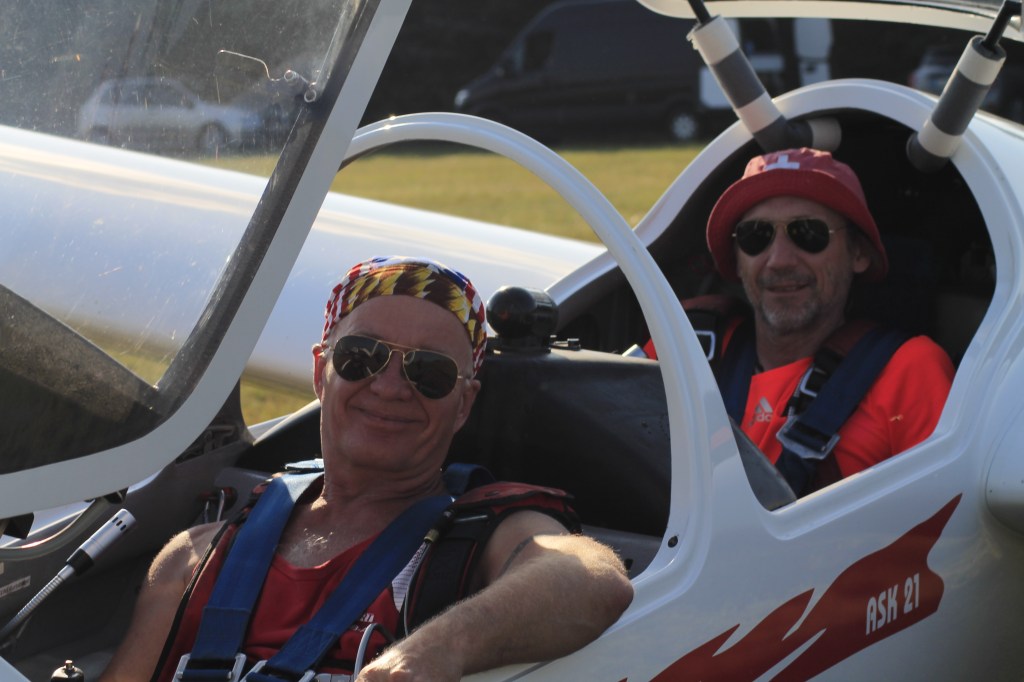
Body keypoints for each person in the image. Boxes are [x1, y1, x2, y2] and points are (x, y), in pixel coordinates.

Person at [101, 256, 633, 682]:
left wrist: (436, 649)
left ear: (464, 405)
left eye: (429, 371)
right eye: (362, 356)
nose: (390, 387)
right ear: (321, 371)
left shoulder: (480, 534)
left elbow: (593, 580)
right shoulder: (192, 559)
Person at [643, 148, 954, 496]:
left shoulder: (908, 370)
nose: (779, 260)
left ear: (858, 253)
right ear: (737, 259)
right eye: (755, 236)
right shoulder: (687, 343)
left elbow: (950, 520)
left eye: (808, 233)